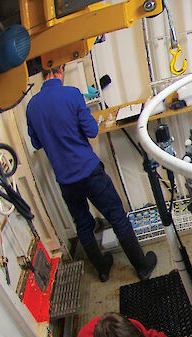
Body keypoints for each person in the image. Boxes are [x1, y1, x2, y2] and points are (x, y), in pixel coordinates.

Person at [25, 65, 157, 282]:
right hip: (88, 171)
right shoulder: (72, 94)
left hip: (66, 180)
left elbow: (36, 143)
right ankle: (142, 267)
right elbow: (92, 131)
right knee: (116, 215)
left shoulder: (32, 106)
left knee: (83, 223)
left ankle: (102, 270)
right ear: (61, 69)